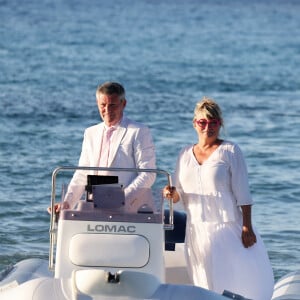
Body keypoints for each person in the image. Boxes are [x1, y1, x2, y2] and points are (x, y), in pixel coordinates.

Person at [164, 97, 274, 299]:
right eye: (202, 122)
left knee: (232, 279)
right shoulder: (184, 154)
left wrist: (246, 226)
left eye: (213, 122)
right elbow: (179, 194)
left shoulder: (230, 151)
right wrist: (171, 193)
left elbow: (243, 192)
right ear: (194, 124)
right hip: (196, 229)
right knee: (203, 280)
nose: (208, 127)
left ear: (220, 124)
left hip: (226, 227)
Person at [49, 81, 156, 213]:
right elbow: (82, 173)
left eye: (112, 105)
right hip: (95, 208)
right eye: (103, 105)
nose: (107, 110)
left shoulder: (139, 131)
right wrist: (67, 203)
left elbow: (148, 174)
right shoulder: (90, 133)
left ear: (123, 104)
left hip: (130, 210)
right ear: (97, 104)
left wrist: (122, 198)